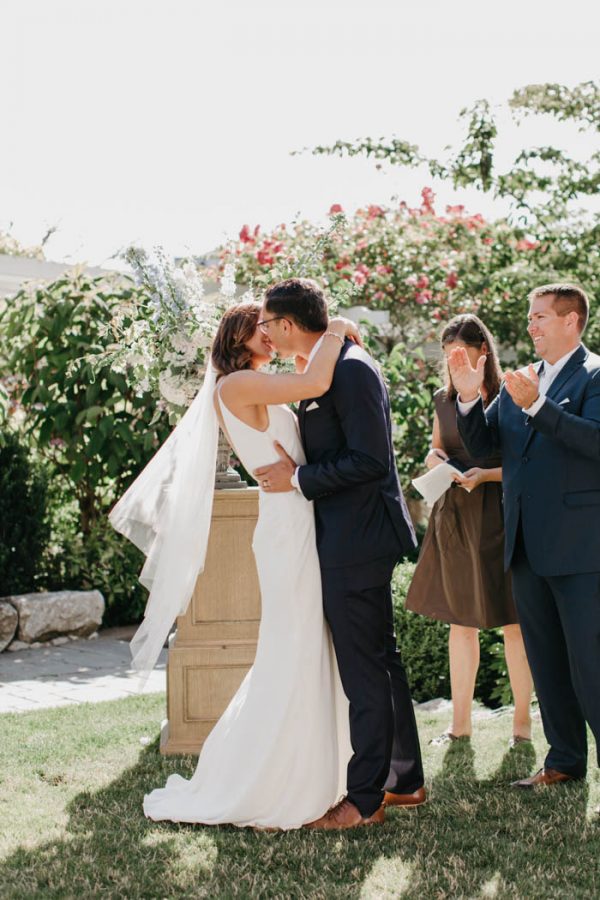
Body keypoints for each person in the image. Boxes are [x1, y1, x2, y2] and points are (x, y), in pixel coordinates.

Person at [111, 301, 360, 830]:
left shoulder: (255, 381)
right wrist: (336, 328)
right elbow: (316, 382)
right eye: (260, 326)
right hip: (287, 528)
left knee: (307, 647)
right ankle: (275, 779)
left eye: (271, 325)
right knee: (293, 650)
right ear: (237, 334)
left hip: (298, 518)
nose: (269, 333)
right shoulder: (234, 386)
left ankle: (319, 768)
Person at [253, 278, 425, 830]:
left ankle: (365, 798)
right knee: (381, 660)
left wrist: (299, 478)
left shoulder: (349, 370)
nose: (267, 336)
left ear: (286, 324)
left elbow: (371, 460)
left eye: (269, 325)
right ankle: (405, 780)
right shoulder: (328, 365)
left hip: (359, 539)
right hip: (351, 536)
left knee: (364, 669)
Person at [449, 283, 600, 788]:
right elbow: (486, 449)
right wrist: (469, 399)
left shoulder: (595, 374)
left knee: (592, 666)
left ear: (571, 321)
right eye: (530, 317)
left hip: (582, 550)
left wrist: (539, 408)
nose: (531, 326)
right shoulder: (521, 380)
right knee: (547, 661)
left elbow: (594, 442)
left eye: (539, 317)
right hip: (525, 547)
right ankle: (563, 761)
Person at [405, 314, 533, 746]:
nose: (453, 362)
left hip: (500, 515)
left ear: (484, 352)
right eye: (447, 356)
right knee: (460, 624)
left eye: (460, 352)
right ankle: (459, 724)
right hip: (456, 517)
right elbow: (434, 449)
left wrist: (486, 475)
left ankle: (522, 724)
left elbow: (525, 463)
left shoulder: (511, 395)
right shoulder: (443, 398)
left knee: (514, 623)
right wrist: (439, 463)